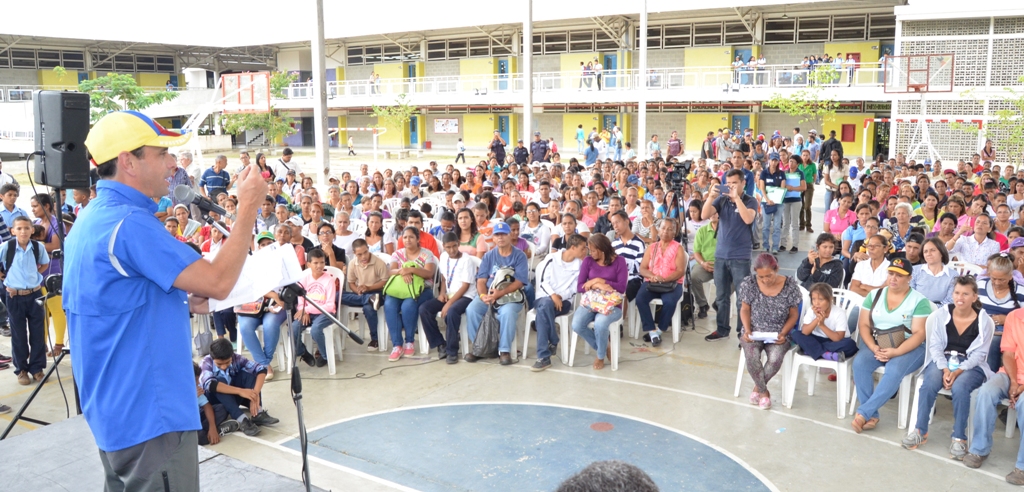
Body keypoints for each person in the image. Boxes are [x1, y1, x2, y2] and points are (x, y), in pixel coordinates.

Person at [67, 111, 265, 489]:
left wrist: (181, 302)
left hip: (116, 411)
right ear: (128, 161)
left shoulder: (93, 217)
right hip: (149, 416)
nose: (174, 163)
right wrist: (248, 208)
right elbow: (219, 282)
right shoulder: (130, 224)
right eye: (162, 153)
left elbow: (117, 301)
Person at [902, 276, 993, 459]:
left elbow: (980, 354)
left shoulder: (984, 321)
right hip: (942, 360)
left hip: (971, 365)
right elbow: (934, 346)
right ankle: (920, 430)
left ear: (974, 297)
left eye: (966, 294)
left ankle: (959, 437)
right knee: (929, 384)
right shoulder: (941, 314)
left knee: (960, 388)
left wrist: (959, 370)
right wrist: (945, 369)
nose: (960, 297)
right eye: (957, 293)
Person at [851, 257, 933, 433]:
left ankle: (864, 412)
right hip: (879, 342)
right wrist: (873, 347)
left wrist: (895, 352)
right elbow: (863, 324)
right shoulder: (874, 295)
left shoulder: (919, 301)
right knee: (860, 364)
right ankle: (871, 414)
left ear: (909, 278)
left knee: (894, 370)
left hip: (909, 346)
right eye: (891, 274)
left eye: (899, 275)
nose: (893, 278)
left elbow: (919, 334)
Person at [965, 308, 1024, 482]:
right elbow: (1008, 353)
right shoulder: (1015, 316)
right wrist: (1014, 381)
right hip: (1011, 374)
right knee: (986, 392)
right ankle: (979, 449)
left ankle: (1022, 466)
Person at [739, 253, 802, 409]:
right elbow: (745, 310)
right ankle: (764, 393)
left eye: (769, 276)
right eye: (761, 277)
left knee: (775, 358)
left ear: (777, 269)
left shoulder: (790, 285)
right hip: (753, 330)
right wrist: (747, 330)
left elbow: (794, 314)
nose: (765, 280)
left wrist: (784, 333)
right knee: (752, 356)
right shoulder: (750, 283)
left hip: (779, 332)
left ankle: (757, 388)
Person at [703, 169, 758, 342]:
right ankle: (722, 329)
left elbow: (748, 219)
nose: (731, 186)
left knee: (742, 298)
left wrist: (737, 199)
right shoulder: (722, 199)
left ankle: (742, 332)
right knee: (721, 296)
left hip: (740, 257)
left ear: (743, 183)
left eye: (734, 183)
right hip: (720, 255)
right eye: (728, 183)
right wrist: (711, 196)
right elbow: (704, 215)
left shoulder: (751, 201)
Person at [465, 222, 529, 365]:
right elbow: (481, 280)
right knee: (472, 309)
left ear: (510, 235)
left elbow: (520, 282)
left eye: (504, 234)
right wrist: (483, 296)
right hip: (489, 294)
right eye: (497, 235)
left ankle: (504, 350)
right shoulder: (488, 256)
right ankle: (481, 347)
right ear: (493, 238)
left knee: (507, 313)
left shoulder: (519, 256)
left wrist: (499, 294)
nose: (500, 238)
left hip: (511, 295)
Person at [1, 216, 48, 385]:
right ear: (12, 231)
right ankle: (21, 369)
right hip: (14, 296)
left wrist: (36, 277)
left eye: (27, 228)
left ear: (32, 230)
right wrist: (6, 282)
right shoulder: (7, 247)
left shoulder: (37, 247)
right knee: (19, 334)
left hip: (35, 294)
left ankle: (37, 368)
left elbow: (44, 264)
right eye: (19, 228)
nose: (23, 231)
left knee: (37, 332)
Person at [530, 234, 587, 372]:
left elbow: (575, 288)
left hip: (564, 301)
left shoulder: (580, 265)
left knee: (543, 311)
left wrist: (560, 296)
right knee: (545, 305)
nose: (585, 251)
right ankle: (552, 341)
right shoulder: (552, 258)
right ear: (572, 247)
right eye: (583, 248)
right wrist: (553, 296)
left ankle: (544, 356)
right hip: (544, 296)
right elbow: (543, 281)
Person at [199, 339, 279, 438]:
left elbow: (261, 369)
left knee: (248, 375)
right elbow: (210, 385)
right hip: (216, 402)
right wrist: (241, 391)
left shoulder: (236, 358)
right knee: (219, 382)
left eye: (227, 362)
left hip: (232, 397)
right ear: (212, 357)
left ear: (231, 356)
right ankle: (241, 419)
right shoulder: (206, 362)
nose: (223, 367)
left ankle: (257, 412)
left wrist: (255, 394)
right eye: (219, 364)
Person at [570, 234, 628, 371]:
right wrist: (596, 285)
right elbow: (580, 286)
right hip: (591, 302)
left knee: (600, 323)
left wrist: (600, 281)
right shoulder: (588, 261)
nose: (590, 253)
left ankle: (600, 356)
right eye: (589, 250)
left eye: (593, 250)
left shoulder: (619, 261)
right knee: (577, 324)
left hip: (611, 304)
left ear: (603, 249)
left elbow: (621, 287)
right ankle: (604, 346)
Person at [418, 232, 478, 364]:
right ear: (444, 246)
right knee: (424, 309)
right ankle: (440, 344)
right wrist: (442, 293)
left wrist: (449, 303)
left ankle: (452, 350)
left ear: (458, 244)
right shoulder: (444, 257)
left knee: (452, 312)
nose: (452, 250)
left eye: (455, 246)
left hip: (465, 296)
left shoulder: (466, 260)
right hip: (449, 294)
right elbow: (444, 278)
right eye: (448, 247)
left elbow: (465, 286)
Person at [235, 232, 287, 380]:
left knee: (270, 325)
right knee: (244, 326)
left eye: (269, 244)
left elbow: (287, 285)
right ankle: (264, 364)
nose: (266, 247)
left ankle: (264, 363)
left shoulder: (282, 261)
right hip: (253, 306)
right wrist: (272, 294)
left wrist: (276, 297)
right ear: (258, 246)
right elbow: (252, 286)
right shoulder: (252, 263)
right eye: (262, 244)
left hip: (277, 305)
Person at [384, 226, 438, 362]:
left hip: (422, 289)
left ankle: (409, 341)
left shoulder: (427, 254)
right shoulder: (397, 254)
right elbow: (391, 271)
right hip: (399, 288)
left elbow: (429, 273)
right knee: (389, 304)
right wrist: (403, 272)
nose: (408, 240)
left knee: (408, 305)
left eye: (411, 237)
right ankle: (397, 345)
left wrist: (411, 270)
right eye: (405, 237)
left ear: (418, 239)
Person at [634, 219, 688, 347]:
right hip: (652, 282)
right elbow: (642, 268)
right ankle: (652, 330)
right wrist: (652, 276)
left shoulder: (678, 248)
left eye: (670, 229)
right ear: (658, 230)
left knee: (669, 302)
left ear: (674, 232)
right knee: (640, 298)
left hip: (671, 284)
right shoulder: (652, 247)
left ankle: (660, 329)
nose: (665, 231)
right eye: (663, 228)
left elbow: (680, 271)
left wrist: (664, 279)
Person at [290, 249, 339, 368]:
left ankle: (325, 355)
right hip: (307, 312)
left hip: (325, 313)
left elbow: (330, 305)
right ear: (308, 264)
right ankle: (303, 352)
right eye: (316, 263)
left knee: (316, 330)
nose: (319, 266)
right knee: (293, 329)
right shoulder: (304, 279)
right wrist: (304, 310)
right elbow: (300, 301)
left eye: (322, 262)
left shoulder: (329, 280)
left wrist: (307, 310)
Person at [978, 253, 1024, 373]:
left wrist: (1007, 319)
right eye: (993, 278)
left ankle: (990, 375)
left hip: (1007, 333)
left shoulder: (1021, 291)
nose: (997, 283)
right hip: (980, 327)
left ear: (1010, 276)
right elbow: (971, 310)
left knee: (993, 341)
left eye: (1002, 279)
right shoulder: (980, 285)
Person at [792, 282, 858, 361]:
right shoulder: (811, 310)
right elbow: (805, 332)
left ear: (830, 299)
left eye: (821, 299)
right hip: (816, 339)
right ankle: (825, 354)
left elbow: (837, 338)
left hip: (834, 341)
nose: (817, 303)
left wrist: (822, 325)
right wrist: (817, 319)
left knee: (851, 345)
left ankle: (810, 350)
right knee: (796, 334)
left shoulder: (839, 313)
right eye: (814, 299)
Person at [610, 210, 646, 303]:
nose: (615, 226)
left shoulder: (639, 243)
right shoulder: (614, 244)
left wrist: (621, 264)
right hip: (616, 278)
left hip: (633, 279)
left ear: (627, 221)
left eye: (617, 222)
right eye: (613, 224)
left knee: (623, 294)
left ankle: (621, 317)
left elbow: (639, 267)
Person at [910, 237, 956, 306]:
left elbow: (950, 300)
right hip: (916, 310)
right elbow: (910, 295)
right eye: (925, 251)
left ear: (941, 252)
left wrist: (933, 310)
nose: (928, 254)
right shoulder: (914, 271)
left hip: (941, 312)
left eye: (932, 250)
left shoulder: (953, 275)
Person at [690, 209, 718, 319]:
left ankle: (718, 303)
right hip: (704, 264)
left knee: (734, 280)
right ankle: (702, 305)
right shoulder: (702, 230)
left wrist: (720, 265)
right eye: (711, 212)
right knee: (693, 277)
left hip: (722, 265)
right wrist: (703, 263)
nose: (712, 214)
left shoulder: (727, 230)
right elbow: (696, 252)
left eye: (715, 212)